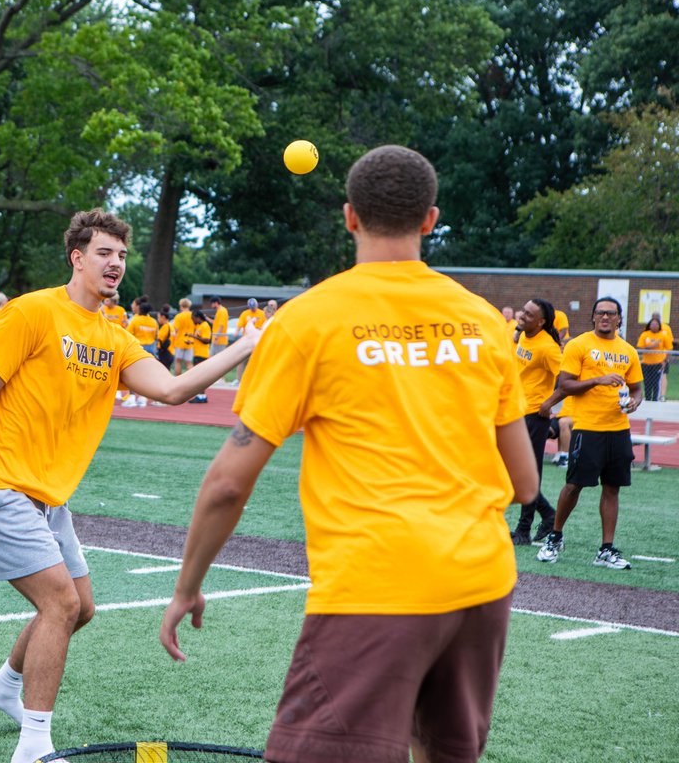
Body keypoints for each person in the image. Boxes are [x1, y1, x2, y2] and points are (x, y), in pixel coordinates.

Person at [160, 145, 537, 763]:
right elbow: (524, 483)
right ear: (430, 220)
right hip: (482, 583)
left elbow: (230, 482)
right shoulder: (482, 321)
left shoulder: (309, 321)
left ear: (350, 217)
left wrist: (187, 586)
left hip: (375, 585)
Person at [0, 208, 261, 763]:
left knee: (80, 608)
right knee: (59, 603)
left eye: (122, 255)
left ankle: (5, 686)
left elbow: (174, 389)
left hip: (48, 496)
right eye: (105, 254)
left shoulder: (112, 336)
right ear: (77, 258)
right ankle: (34, 747)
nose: (115, 265)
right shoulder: (33, 311)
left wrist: (245, 344)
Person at [537, 297, 643, 570]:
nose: (605, 317)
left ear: (620, 318)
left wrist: (634, 402)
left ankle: (606, 549)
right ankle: (555, 537)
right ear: (593, 317)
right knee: (574, 485)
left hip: (618, 429)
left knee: (612, 488)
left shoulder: (628, 351)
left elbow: (637, 388)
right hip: (587, 427)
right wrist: (598, 379)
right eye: (600, 313)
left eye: (610, 313)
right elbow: (565, 385)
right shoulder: (579, 344)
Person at [510, 299, 562, 545]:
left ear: (541, 322)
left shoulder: (549, 348)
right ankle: (548, 515)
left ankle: (523, 530)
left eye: (529, 315)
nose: (523, 316)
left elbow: (566, 379)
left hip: (535, 416)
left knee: (528, 473)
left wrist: (549, 404)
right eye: (523, 311)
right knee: (513, 471)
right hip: (518, 411)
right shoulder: (523, 335)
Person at [123, 301, 159, 408]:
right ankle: (143, 398)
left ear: (140, 310)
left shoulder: (135, 320)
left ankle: (132, 398)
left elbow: (128, 334)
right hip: (151, 349)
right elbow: (156, 335)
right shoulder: (153, 321)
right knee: (147, 375)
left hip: (138, 348)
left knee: (132, 373)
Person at [636, 314, 670, 401]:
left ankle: (655, 400)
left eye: (656, 324)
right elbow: (640, 347)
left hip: (658, 363)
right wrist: (652, 346)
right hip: (646, 363)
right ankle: (647, 399)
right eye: (652, 324)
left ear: (659, 326)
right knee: (647, 383)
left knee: (655, 383)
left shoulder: (663, 335)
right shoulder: (645, 334)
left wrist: (665, 361)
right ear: (649, 325)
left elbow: (669, 348)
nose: (654, 326)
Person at [232, 298, 266, 383]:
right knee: (241, 360)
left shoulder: (262, 314)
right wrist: (236, 331)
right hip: (247, 340)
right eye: (251, 307)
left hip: (257, 341)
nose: (253, 309)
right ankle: (238, 379)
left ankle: (255, 380)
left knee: (255, 361)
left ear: (257, 305)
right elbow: (240, 324)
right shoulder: (245, 314)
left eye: (254, 307)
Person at [187, 309, 212, 404]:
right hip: (198, 353)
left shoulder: (205, 326)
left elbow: (207, 340)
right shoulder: (200, 326)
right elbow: (200, 341)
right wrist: (192, 341)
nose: (192, 320)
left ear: (198, 317)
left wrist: (194, 337)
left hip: (202, 354)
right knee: (199, 376)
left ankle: (200, 396)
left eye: (193, 318)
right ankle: (202, 395)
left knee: (199, 376)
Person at [171, 298, 195, 374]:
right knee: (188, 362)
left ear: (181, 306)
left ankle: (178, 378)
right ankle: (192, 379)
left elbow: (176, 329)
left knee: (178, 361)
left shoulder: (178, 316)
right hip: (190, 341)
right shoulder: (193, 315)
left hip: (179, 341)